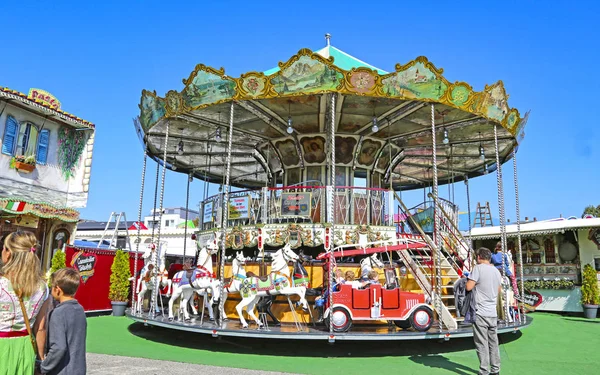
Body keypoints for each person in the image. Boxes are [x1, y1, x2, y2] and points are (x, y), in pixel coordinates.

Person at [0, 231, 50, 375]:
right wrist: (40, 358)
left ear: (8, 254)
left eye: (4, 247)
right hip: (25, 346)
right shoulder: (42, 287)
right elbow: (40, 328)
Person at [41, 268, 87, 375]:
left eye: (51, 287)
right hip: (78, 370)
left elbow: (59, 348)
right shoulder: (80, 310)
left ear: (57, 289)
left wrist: (44, 367)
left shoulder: (58, 313)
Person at [466, 247, 503, 375]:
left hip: (480, 312)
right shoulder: (496, 271)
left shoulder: (478, 269)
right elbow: (498, 290)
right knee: (493, 343)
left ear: (479, 257)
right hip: (492, 312)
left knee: (481, 343)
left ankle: (484, 370)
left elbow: (468, 287)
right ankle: (495, 370)